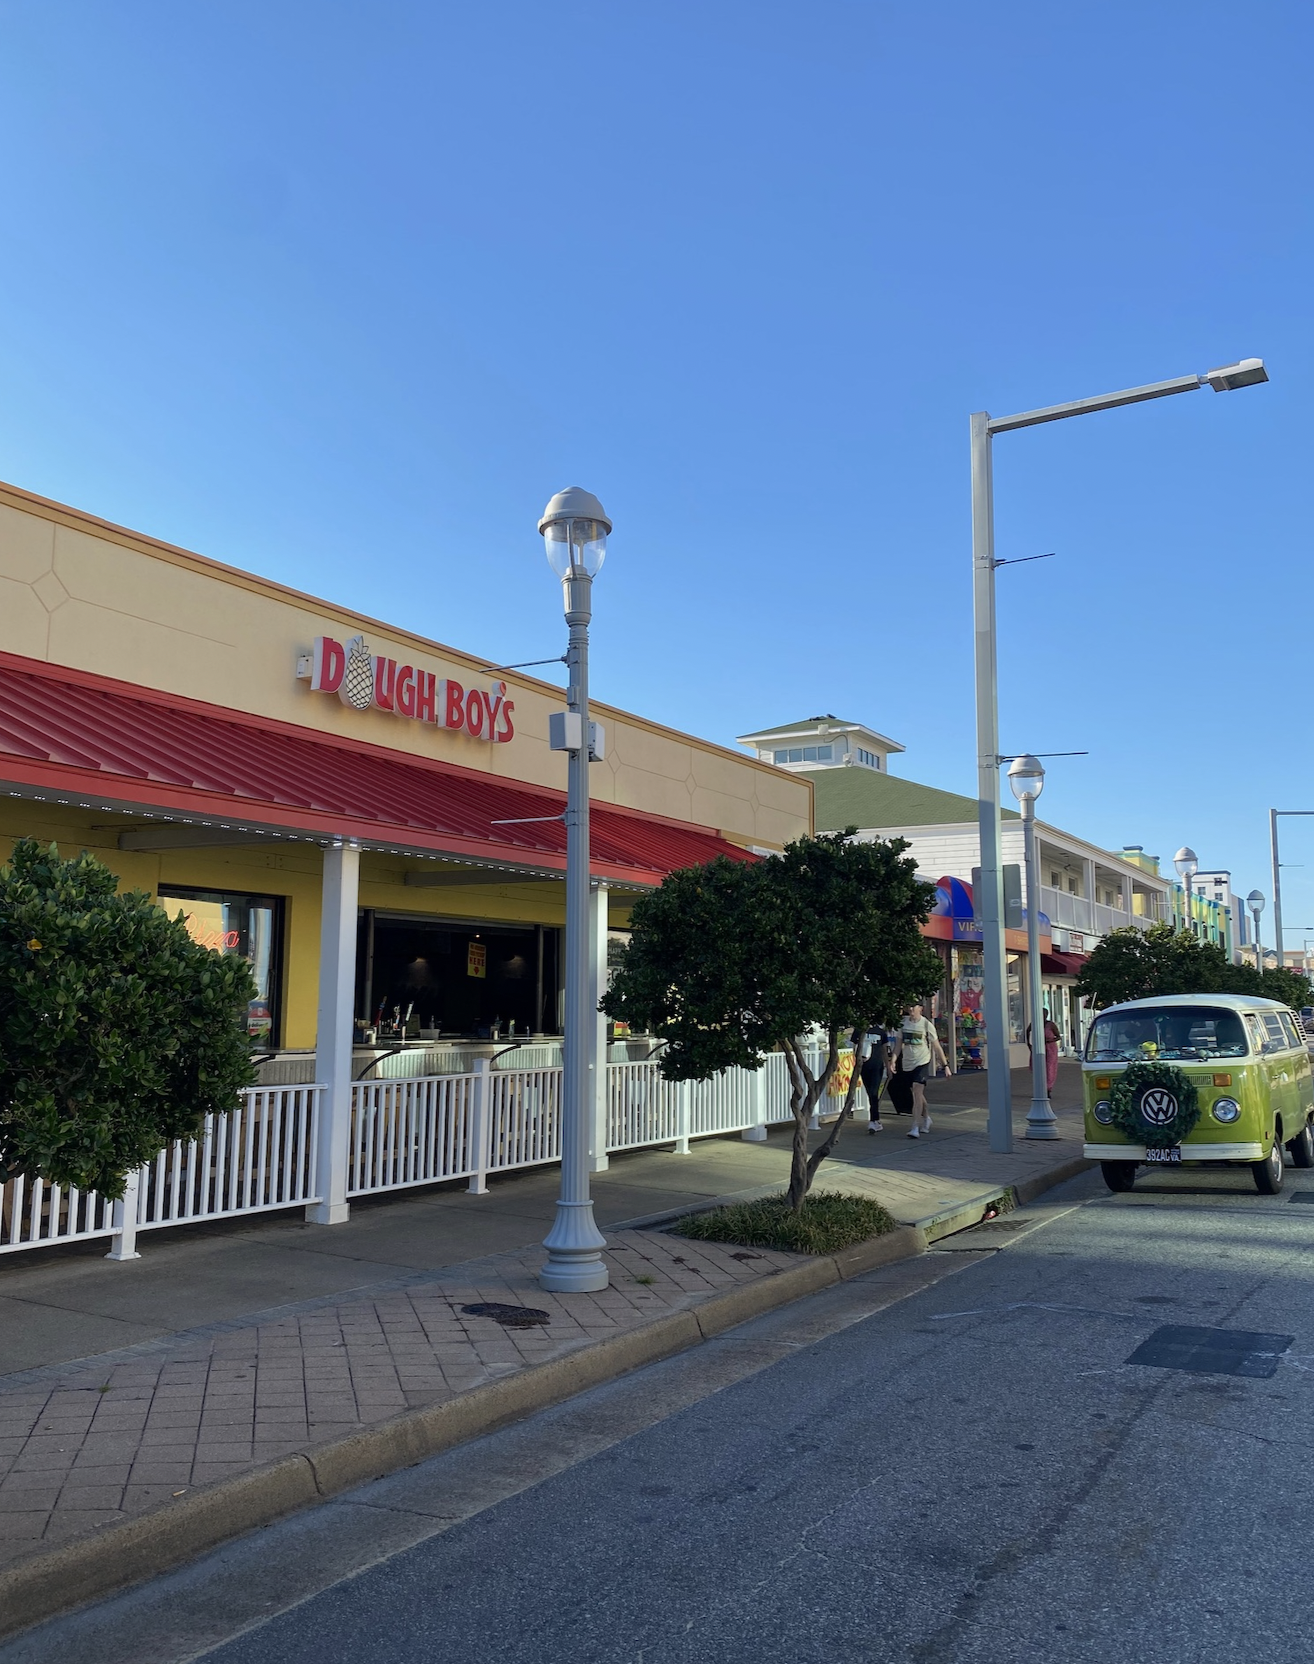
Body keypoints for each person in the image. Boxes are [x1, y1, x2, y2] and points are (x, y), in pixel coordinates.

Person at [889, 1002, 950, 1138]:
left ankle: (915, 1126)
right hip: (907, 1063)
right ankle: (927, 1117)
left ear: (920, 1009)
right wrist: (893, 1060)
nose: (911, 1009)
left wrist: (945, 1066)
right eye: (909, 1006)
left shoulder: (926, 1024)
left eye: (914, 1006)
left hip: (922, 1061)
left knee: (917, 1090)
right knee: (917, 1094)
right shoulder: (903, 1024)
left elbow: (937, 1047)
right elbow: (898, 1045)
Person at [856, 1027, 892, 1133]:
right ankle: (876, 1120)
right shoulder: (859, 1030)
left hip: (877, 1066)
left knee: (874, 1092)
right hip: (864, 1067)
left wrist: (888, 1066)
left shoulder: (880, 1032)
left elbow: (884, 1050)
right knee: (870, 1093)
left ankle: (872, 1120)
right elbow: (854, 1046)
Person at [1027, 1010, 1062, 1095]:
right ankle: (1039, 1087)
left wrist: (1050, 1040)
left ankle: (1048, 1089)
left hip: (1050, 1047)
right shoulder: (1034, 1023)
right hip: (1038, 1046)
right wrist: (1029, 1044)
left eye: (1044, 1014)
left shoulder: (1051, 1025)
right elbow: (1028, 1031)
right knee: (1037, 1067)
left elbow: (1058, 1037)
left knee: (1049, 1068)